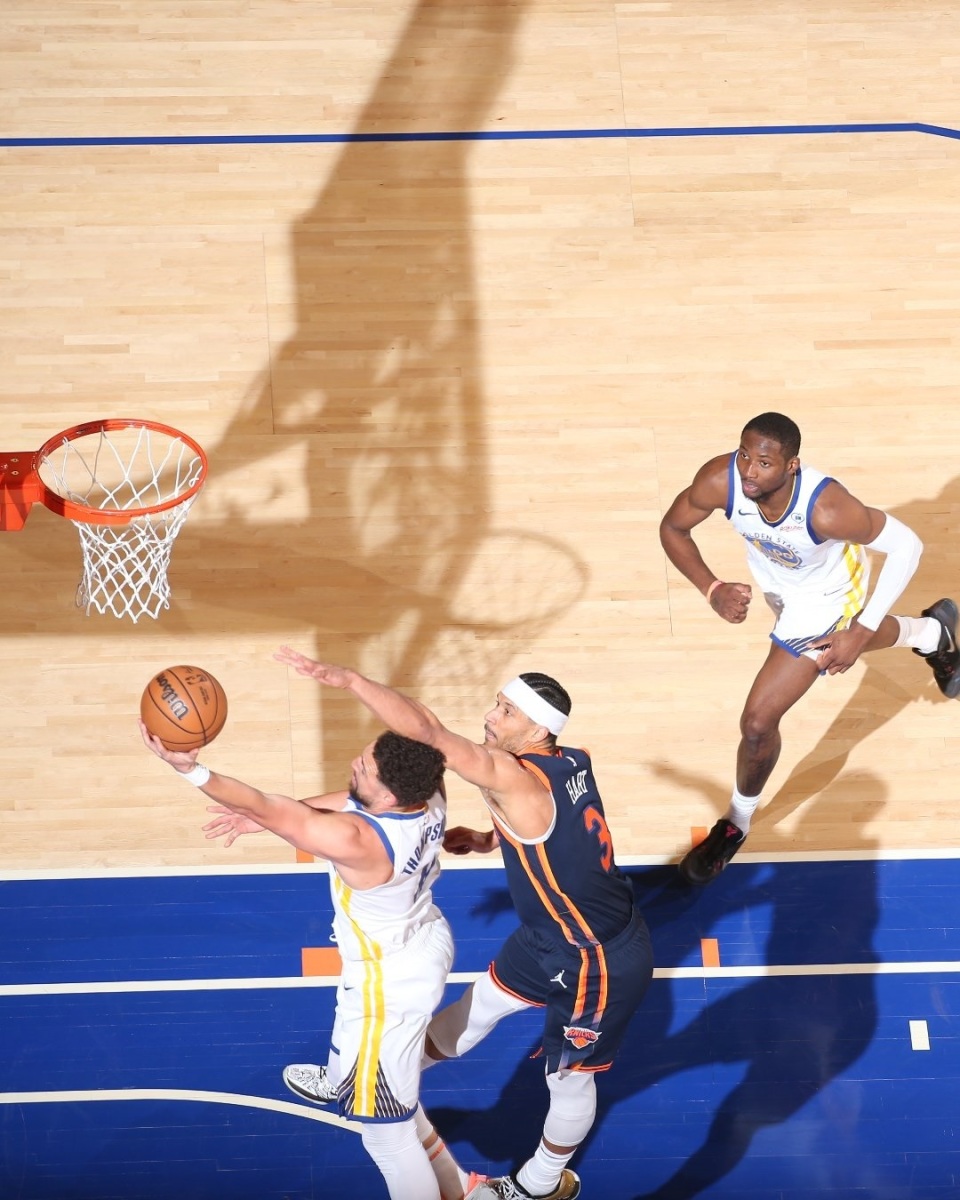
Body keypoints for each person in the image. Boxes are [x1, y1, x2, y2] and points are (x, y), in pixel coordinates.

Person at [273, 645, 655, 1200]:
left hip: (596, 959)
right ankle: (376, 1075)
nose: (491, 717)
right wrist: (487, 838)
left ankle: (539, 1184)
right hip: (547, 937)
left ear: (537, 730)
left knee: (569, 1081)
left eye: (507, 711)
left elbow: (429, 733)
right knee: (476, 1009)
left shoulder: (511, 775)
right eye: (497, 704)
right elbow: (556, 822)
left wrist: (351, 679)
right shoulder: (572, 760)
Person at [139, 719, 462, 1200]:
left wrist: (191, 769)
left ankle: (427, 1159)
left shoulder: (358, 840)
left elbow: (267, 805)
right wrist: (278, 817)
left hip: (386, 984)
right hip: (423, 936)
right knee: (355, 1033)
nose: (355, 764)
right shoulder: (428, 791)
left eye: (365, 767)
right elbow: (344, 801)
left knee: (386, 1136)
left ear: (389, 796)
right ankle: (344, 1076)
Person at [659, 410, 959, 885]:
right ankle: (932, 634)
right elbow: (673, 528)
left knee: (758, 723)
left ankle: (736, 823)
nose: (749, 472)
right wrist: (711, 588)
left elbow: (909, 547)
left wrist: (860, 629)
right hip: (781, 588)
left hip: (830, 596)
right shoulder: (721, 480)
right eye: (744, 456)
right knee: (831, 651)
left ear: (791, 465)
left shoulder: (828, 509)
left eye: (764, 463)